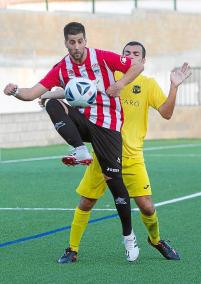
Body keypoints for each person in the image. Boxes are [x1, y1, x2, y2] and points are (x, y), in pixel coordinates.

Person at [4, 22, 144, 262]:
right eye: (72, 42)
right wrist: (15, 90)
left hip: (109, 123)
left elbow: (136, 65)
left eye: (80, 41)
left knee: (114, 182)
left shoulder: (102, 58)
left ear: (85, 40)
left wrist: (119, 84)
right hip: (83, 121)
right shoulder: (62, 68)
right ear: (66, 42)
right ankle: (79, 150)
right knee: (50, 102)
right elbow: (31, 93)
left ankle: (129, 237)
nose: (76, 46)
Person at [40, 41, 191, 263]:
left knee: (147, 206)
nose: (131, 56)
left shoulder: (147, 84)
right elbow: (77, 93)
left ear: (142, 61)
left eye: (136, 54)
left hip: (132, 157)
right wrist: (49, 97)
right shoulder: (104, 79)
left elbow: (166, 114)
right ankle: (72, 249)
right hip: (103, 152)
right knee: (86, 202)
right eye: (126, 53)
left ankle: (156, 240)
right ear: (121, 58)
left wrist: (174, 87)